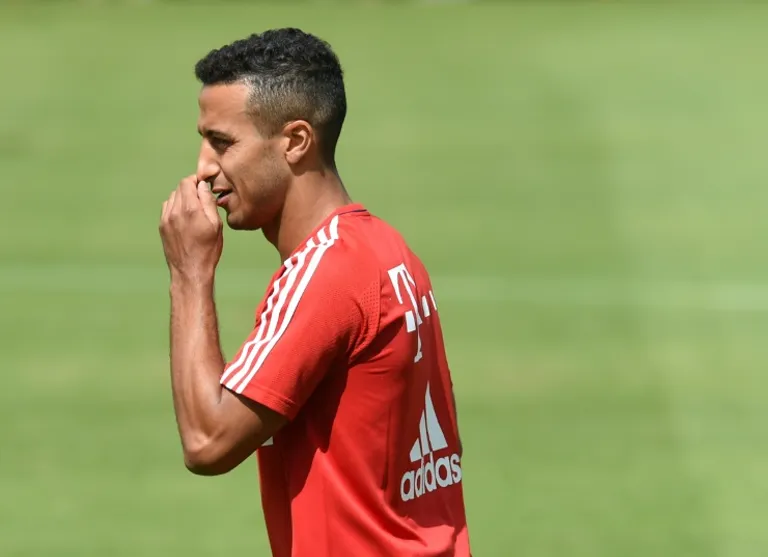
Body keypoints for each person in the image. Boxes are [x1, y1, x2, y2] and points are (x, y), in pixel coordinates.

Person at [158, 27, 471, 557]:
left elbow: (208, 442)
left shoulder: (327, 274)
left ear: (296, 141)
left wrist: (190, 273)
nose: (203, 168)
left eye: (222, 143)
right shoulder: (387, 248)